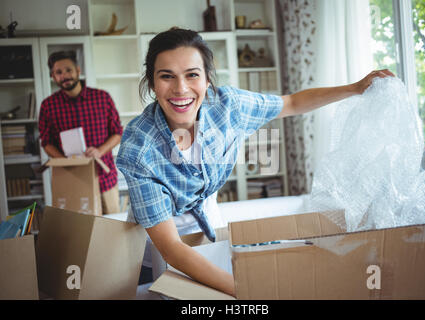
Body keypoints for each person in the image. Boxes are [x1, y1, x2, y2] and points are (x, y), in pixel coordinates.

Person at [116, 28, 394, 297]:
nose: (181, 89)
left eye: (192, 75)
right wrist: (249, 289)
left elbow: (291, 103)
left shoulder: (229, 107)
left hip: (210, 231)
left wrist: (355, 88)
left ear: (207, 79)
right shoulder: (139, 148)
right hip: (161, 248)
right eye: (167, 77)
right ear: (152, 83)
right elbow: (171, 248)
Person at [39, 50, 123, 214]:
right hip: (72, 181)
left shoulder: (102, 98)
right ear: (53, 76)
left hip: (105, 179)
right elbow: (46, 142)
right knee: (81, 233)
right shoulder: (48, 106)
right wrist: (65, 161)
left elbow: (117, 133)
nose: (64, 75)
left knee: (112, 229)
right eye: (58, 72)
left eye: (68, 70)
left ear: (78, 70)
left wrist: (99, 151)